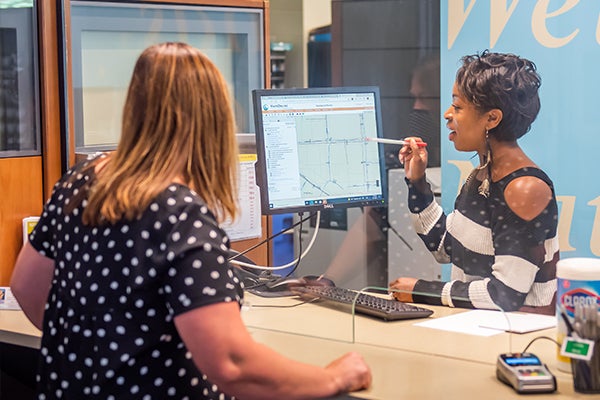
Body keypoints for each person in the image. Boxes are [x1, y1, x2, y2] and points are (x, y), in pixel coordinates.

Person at [10, 42, 371, 399]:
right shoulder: (177, 212)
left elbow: (27, 287)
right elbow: (233, 365)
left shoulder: (82, 179)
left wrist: (102, 348)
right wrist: (333, 377)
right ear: (211, 121)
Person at [389, 50, 558, 315]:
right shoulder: (481, 175)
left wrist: (422, 290)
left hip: (518, 339)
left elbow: (505, 295)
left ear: (492, 118)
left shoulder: (525, 189)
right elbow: (445, 247)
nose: (447, 114)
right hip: (480, 328)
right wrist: (417, 181)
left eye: (457, 107)